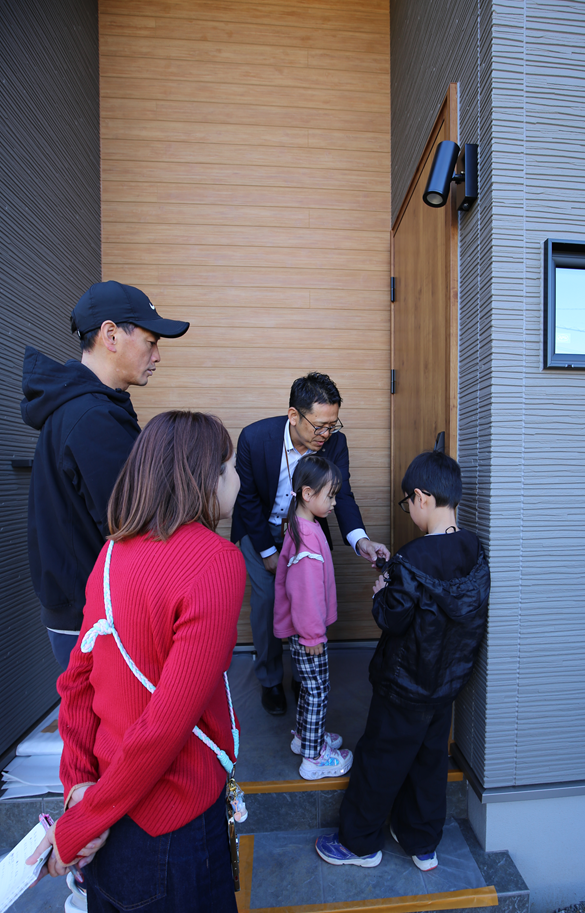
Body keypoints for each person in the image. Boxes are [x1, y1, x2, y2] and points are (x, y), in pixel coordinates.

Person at [27, 410, 247, 913]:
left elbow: (76, 682)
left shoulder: (111, 555)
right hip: (174, 824)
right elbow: (165, 725)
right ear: (205, 477)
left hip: (107, 806)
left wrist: (79, 788)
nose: (237, 479)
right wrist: (82, 822)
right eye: (230, 467)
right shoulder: (217, 561)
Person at [315, 450, 490, 872]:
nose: (409, 509)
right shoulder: (474, 550)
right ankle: (422, 843)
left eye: (407, 501)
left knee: (381, 759)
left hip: (404, 686)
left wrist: (382, 593)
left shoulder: (412, 558)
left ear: (421, 497)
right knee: (430, 762)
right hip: (446, 685)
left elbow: (393, 619)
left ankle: (359, 844)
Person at [21, 280, 189, 669]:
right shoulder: (92, 417)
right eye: (150, 342)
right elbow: (134, 525)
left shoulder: (83, 407)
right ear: (110, 335)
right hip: (94, 616)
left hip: (80, 607)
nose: (157, 356)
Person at [231, 372, 390, 715]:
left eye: (332, 425)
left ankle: (303, 675)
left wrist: (361, 540)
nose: (326, 434)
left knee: (310, 600)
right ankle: (271, 679)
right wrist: (268, 552)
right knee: (269, 601)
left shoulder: (335, 443)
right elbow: (247, 500)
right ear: (294, 415)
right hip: (260, 529)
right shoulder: (255, 438)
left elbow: (341, 495)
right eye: (320, 426)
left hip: (305, 531)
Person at [274, 455, 353, 780]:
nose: (334, 502)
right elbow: (305, 594)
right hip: (307, 633)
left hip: (305, 630)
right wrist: (312, 635)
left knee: (310, 688)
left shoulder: (305, 526)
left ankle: (307, 737)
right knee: (318, 690)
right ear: (307, 494)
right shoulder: (306, 536)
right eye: (330, 495)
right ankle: (314, 758)